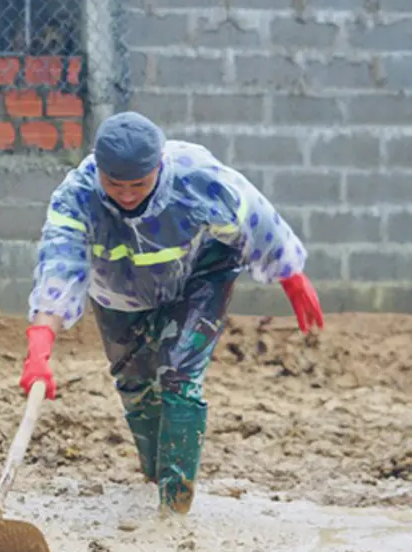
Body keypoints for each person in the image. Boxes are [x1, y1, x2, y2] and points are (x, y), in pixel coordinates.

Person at [20, 111, 322, 516]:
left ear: (159, 166)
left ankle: (174, 504)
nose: (127, 194)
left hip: (199, 277)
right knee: (134, 386)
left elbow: (253, 213)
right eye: (115, 184)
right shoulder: (76, 196)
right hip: (119, 292)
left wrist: (289, 273)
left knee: (179, 376)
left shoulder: (196, 177)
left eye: (138, 184)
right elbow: (59, 264)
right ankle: (154, 474)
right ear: (99, 171)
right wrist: (40, 344)